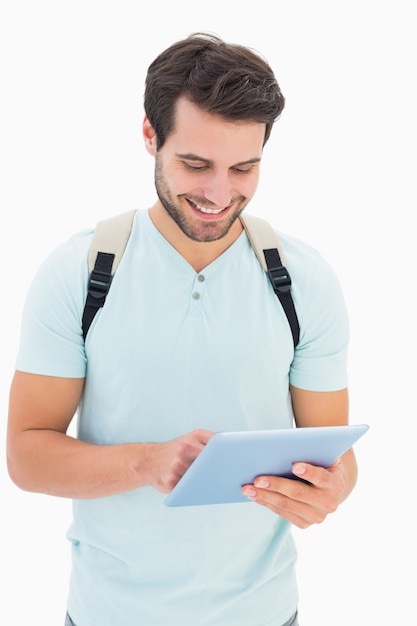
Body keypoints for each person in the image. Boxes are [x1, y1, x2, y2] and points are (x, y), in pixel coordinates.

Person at [6, 32, 357, 626]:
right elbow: (24, 454)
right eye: (196, 165)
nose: (221, 195)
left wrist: (330, 491)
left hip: (265, 614)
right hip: (107, 614)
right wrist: (145, 463)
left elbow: (334, 457)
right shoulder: (81, 272)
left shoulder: (303, 282)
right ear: (150, 136)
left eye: (244, 167)